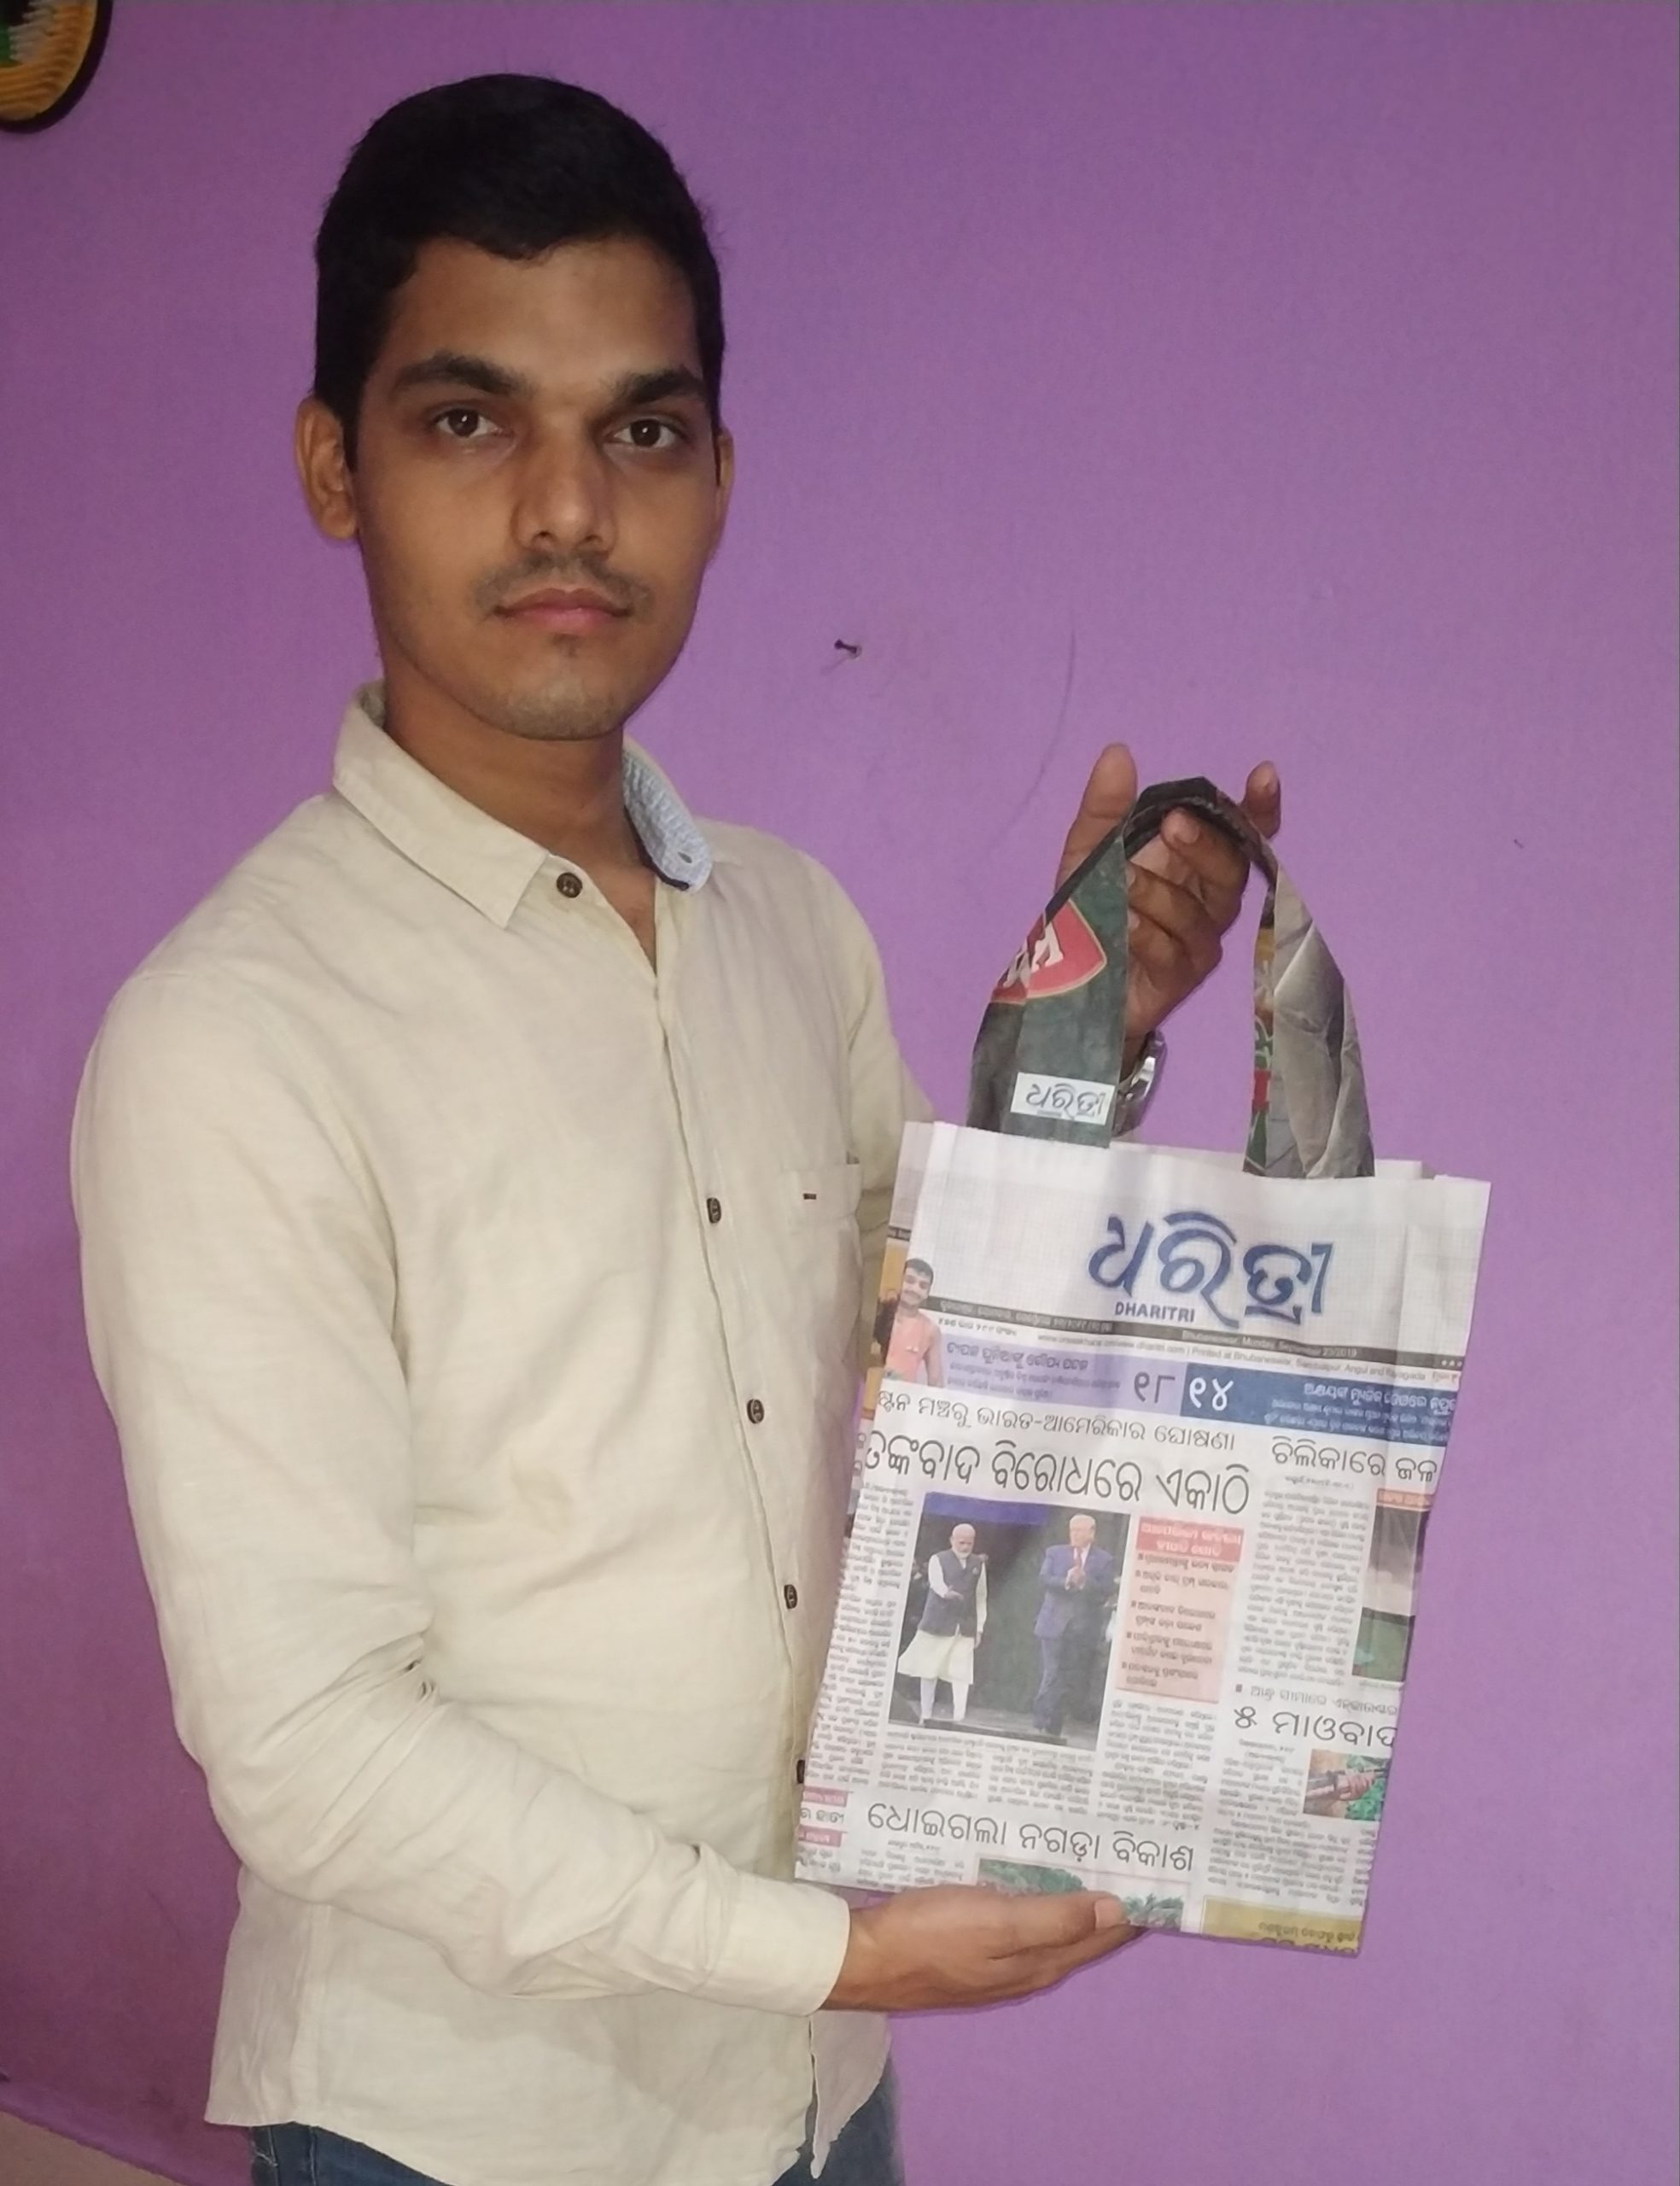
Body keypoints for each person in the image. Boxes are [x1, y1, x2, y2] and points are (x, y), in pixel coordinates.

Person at [71, 74, 1280, 2186]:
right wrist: (831, 1950)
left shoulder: (789, 923)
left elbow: (944, 1363)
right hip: (463, 2119)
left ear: (717, 475)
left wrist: (1080, 1037)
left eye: (641, 430)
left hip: (815, 2094)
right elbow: (308, 1740)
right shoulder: (233, 1035)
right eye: (471, 418)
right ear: (336, 466)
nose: (568, 509)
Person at [1031, 1515, 1118, 1742]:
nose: (1075, 1534)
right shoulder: (1055, 1553)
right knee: (1051, 1673)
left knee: (1067, 1678)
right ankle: (1041, 1720)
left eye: (1080, 1530)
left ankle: (1054, 1726)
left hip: (1081, 1628)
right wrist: (1067, 1581)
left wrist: (1084, 1582)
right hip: (1053, 1624)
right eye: (1073, 1530)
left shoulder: (1104, 1560)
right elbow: (1044, 1579)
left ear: (1092, 1533)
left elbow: (1106, 1591)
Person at [897, 1523, 987, 1725]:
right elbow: (936, 1583)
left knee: (962, 1672)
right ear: (952, 1540)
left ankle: (959, 1718)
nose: (965, 1547)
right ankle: (926, 1714)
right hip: (937, 1623)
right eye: (961, 1542)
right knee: (929, 1670)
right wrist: (946, 1593)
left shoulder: (978, 1564)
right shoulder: (938, 1559)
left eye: (969, 1543)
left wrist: (979, 1628)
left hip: (965, 1625)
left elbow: (981, 1597)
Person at [883, 1258, 943, 1385]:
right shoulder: (879, 1315)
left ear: (927, 1293)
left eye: (923, 1286)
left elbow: (936, 1381)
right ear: (898, 1281)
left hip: (902, 1396)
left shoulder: (930, 1330)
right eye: (909, 1281)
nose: (915, 1289)